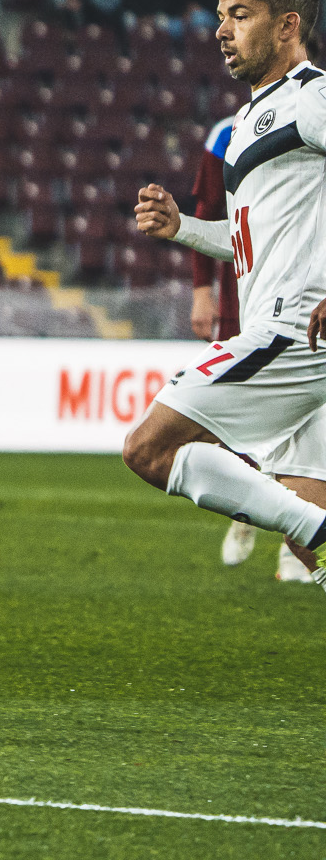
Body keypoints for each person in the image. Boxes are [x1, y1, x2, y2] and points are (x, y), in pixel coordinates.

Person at [126, 0, 326, 576]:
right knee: (299, 521)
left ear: (287, 25)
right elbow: (246, 241)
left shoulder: (314, 97)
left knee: (151, 448)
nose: (222, 29)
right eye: (220, 17)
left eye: (240, 15)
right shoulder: (245, 123)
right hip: (292, 332)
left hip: (294, 330)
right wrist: (182, 227)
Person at [183, 107, 316, 583]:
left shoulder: (312, 111)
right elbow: (209, 212)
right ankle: (248, 514)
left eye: (239, 23)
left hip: (305, 302)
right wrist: (201, 291)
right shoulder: (227, 133)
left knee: (303, 422)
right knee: (239, 423)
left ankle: (292, 538)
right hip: (244, 302)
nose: (229, 32)